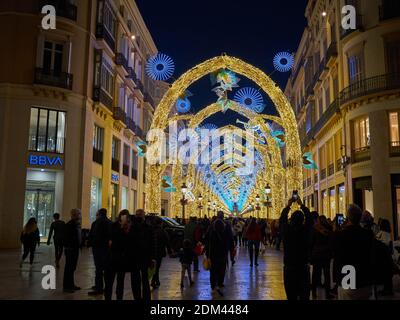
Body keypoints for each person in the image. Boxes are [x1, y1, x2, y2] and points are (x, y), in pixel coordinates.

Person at [332, 204, 375, 300]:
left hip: (348, 279)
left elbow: (334, 252)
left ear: (347, 218)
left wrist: (335, 232)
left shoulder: (340, 235)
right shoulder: (368, 234)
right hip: (365, 280)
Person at [280, 197, 313, 300]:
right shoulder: (305, 232)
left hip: (289, 269)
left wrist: (288, 206)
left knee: (291, 296)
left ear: (291, 220)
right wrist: (301, 205)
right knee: (304, 296)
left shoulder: (286, 232)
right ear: (303, 221)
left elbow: (282, 220)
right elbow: (310, 220)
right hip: (303, 268)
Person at [128, 209, 155, 300]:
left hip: (140, 257)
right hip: (139, 257)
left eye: (139, 214)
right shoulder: (133, 227)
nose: (138, 216)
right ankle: (142, 297)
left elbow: (152, 243)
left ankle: (140, 297)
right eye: (138, 214)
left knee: (141, 279)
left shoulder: (133, 227)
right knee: (141, 279)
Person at [104, 210, 131, 300]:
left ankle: (119, 297)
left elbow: (128, 241)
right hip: (112, 258)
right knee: (109, 282)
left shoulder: (128, 227)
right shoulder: (113, 225)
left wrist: (126, 230)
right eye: (123, 216)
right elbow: (111, 238)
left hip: (122, 259)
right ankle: (108, 297)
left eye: (125, 216)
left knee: (120, 281)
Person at [204, 212, 231, 296]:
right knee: (221, 268)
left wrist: (207, 252)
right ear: (223, 217)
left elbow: (206, 240)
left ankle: (213, 286)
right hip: (222, 252)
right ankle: (220, 283)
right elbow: (229, 239)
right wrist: (229, 249)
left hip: (212, 253)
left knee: (213, 270)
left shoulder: (211, 227)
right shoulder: (226, 226)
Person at [87, 208, 112, 296]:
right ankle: (107, 287)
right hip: (107, 249)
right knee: (106, 269)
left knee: (98, 269)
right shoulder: (110, 223)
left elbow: (92, 235)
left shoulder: (96, 223)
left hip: (98, 249)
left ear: (99, 214)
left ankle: (99, 287)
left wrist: (90, 244)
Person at [310, 215, 334, 299]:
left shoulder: (315, 229)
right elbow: (331, 241)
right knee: (327, 275)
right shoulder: (329, 229)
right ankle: (327, 293)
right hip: (326, 254)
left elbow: (312, 242)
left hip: (317, 254)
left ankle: (313, 292)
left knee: (315, 274)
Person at [63, 208, 82, 293]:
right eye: (79, 214)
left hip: (75, 249)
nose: (80, 215)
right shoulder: (70, 225)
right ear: (75, 215)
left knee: (72, 268)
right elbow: (68, 238)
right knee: (69, 268)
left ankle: (71, 284)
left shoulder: (76, 224)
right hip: (71, 249)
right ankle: (67, 286)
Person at [151, 217, 172, 289]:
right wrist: (170, 252)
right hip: (159, 252)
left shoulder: (150, 230)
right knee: (157, 267)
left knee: (154, 267)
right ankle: (154, 281)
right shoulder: (163, 231)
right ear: (161, 223)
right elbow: (167, 242)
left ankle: (156, 280)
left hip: (151, 252)